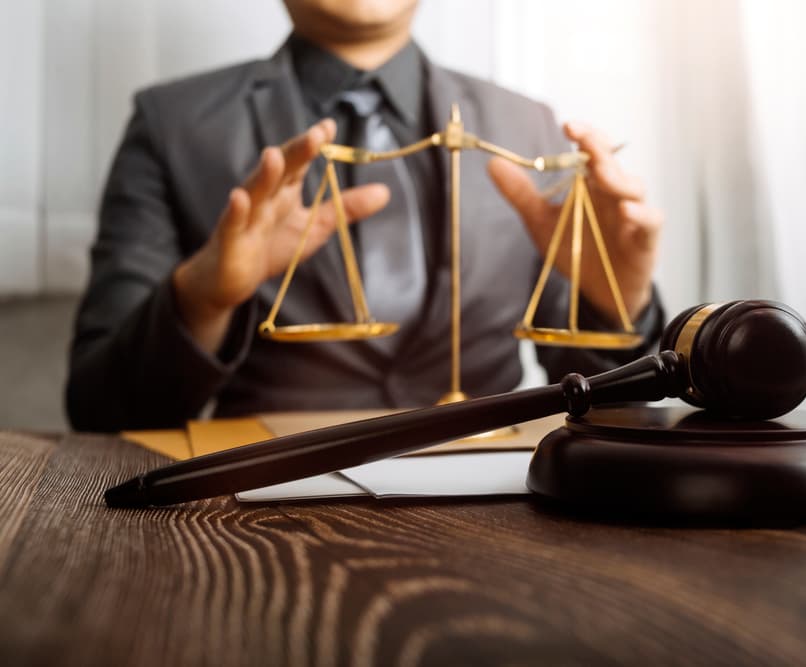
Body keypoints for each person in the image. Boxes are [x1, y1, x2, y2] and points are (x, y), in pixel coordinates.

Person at [66, 0, 665, 432]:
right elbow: (98, 409)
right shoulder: (172, 125)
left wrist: (617, 303)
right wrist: (200, 299)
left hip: (494, 498)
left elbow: (609, 405)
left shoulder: (524, 126)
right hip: (263, 510)